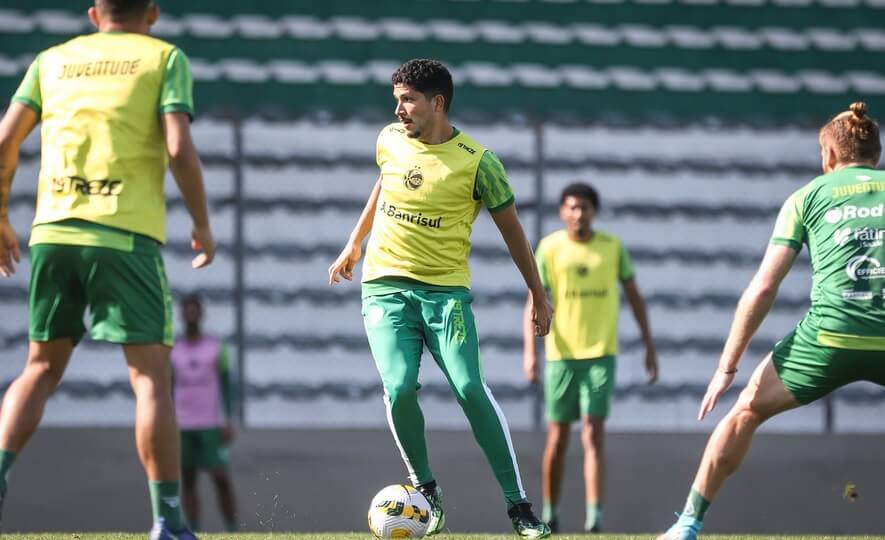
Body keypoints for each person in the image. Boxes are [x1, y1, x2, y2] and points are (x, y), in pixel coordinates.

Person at [0, 1, 214, 538]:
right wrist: (202, 224)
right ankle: (166, 521)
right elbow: (177, 145)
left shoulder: (52, 60)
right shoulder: (164, 57)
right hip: (123, 234)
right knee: (149, 379)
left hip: (52, 231)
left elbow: (5, 140)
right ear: (153, 12)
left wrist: (0, 214)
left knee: (40, 368)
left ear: (95, 13)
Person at [328, 58, 553, 538]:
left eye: (408, 100)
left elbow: (515, 235)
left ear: (437, 103)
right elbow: (385, 182)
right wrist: (355, 240)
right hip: (384, 287)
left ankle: (519, 508)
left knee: (471, 389)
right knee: (400, 387)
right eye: (396, 100)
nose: (399, 109)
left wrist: (538, 293)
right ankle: (425, 489)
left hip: (446, 294)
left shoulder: (479, 163)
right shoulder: (389, 139)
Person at [659, 101, 885, 540]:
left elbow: (763, 287)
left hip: (829, 337)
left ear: (829, 157)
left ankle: (687, 525)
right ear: (877, 153)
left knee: (744, 411)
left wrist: (727, 367)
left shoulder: (807, 196)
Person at [523, 182, 658, 533]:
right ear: (562, 212)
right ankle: (550, 512)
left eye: (584, 207)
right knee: (558, 437)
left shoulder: (611, 248)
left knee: (593, 435)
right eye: (572, 207)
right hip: (561, 356)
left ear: (594, 211)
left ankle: (594, 519)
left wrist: (649, 347)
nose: (578, 214)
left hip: (600, 355)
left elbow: (635, 298)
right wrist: (530, 353)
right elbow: (534, 301)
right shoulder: (550, 248)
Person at [172, 295, 238, 533]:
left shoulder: (215, 346)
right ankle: (195, 529)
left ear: (201, 314)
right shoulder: (173, 349)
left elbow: (226, 384)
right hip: (182, 424)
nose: (191, 315)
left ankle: (233, 530)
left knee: (221, 479)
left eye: (194, 311)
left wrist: (228, 419)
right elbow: (168, 388)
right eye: (186, 311)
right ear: (181, 315)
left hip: (210, 424)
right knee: (188, 481)